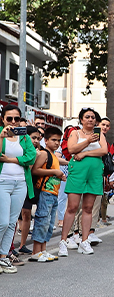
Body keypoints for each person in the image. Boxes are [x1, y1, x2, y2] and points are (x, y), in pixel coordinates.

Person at [58, 108, 107, 255]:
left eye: (93, 117)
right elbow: (72, 149)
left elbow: (104, 151)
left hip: (95, 171)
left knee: (88, 207)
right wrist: (87, 141)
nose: (91, 119)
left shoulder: (100, 134)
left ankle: (84, 241)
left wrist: (85, 153)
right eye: (87, 117)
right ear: (81, 120)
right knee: (72, 207)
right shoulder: (75, 132)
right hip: (78, 171)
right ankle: (63, 241)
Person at [0, 105, 37, 274]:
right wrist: (1, 137)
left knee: (12, 222)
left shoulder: (24, 137)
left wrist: (10, 159)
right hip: (3, 182)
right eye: (10, 119)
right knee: (3, 222)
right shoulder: (1, 134)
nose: (13, 122)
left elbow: (31, 157)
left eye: (17, 119)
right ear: (3, 119)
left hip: (21, 183)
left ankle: (3, 257)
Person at [31, 127, 66, 260]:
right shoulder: (45, 154)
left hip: (53, 193)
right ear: (45, 140)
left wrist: (59, 175)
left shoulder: (53, 155)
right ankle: (36, 251)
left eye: (59, 140)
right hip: (45, 192)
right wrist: (54, 172)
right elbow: (36, 170)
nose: (57, 143)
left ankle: (43, 250)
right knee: (42, 221)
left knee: (49, 223)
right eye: (53, 140)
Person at [17, 127, 43, 256]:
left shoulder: (40, 151)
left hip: (35, 186)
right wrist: (34, 155)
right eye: (33, 138)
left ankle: (23, 245)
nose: (36, 141)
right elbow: (29, 167)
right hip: (23, 184)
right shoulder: (21, 149)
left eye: (38, 138)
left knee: (28, 215)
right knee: (23, 214)